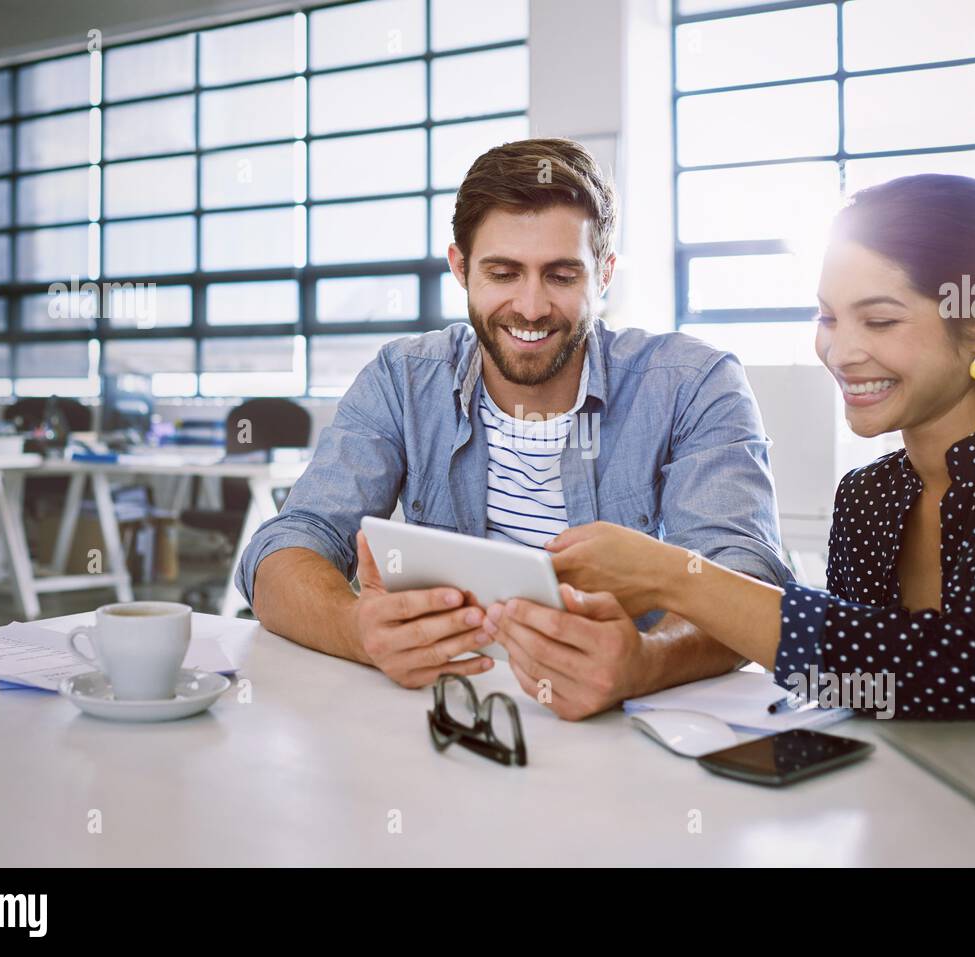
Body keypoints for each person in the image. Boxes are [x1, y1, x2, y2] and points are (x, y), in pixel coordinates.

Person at [491, 174, 975, 719]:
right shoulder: (871, 496)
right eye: (828, 318)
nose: (841, 351)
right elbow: (861, 684)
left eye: (879, 319)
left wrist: (672, 577)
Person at [237, 138, 790, 720]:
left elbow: (741, 574)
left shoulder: (693, 382)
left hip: (634, 729)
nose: (530, 307)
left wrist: (647, 663)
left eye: (560, 275)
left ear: (602, 274)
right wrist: (357, 630)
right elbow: (286, 546)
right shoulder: (403, 378)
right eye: (503, 273)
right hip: (449, 714)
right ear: (461, 268)